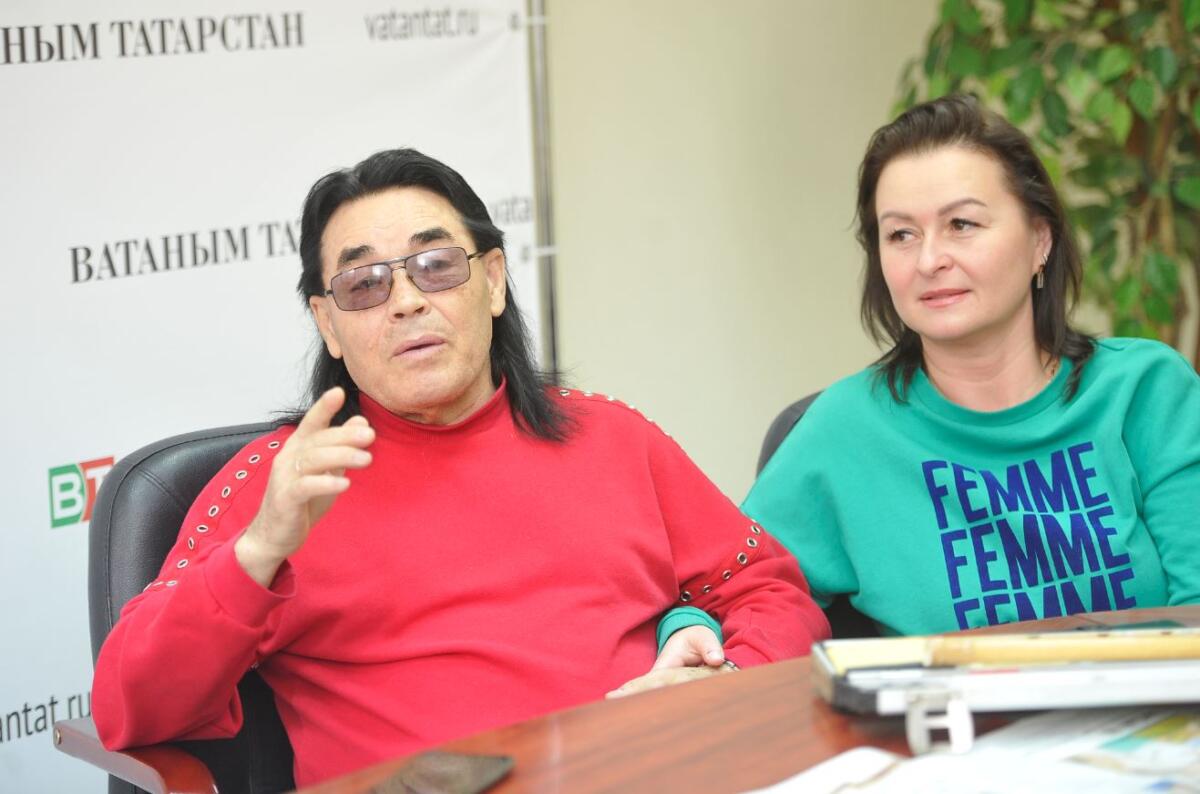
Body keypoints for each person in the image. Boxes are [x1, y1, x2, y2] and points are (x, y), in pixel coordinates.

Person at [91, 148, 829, 785]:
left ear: (495, 280)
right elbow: (129, 707)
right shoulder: (281, 484)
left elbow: (771, 592)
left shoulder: (611, 436)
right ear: (328, 324)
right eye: (365, 284)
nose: (407, 302)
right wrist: (258, 552)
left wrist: (723, 683)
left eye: (436, 266)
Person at [740, 95, 1200, 636]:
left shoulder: (1145, 390)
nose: (929, 260)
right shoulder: (842, 431)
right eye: (901, 234)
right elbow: (727, 592)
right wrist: (687, 633)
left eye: (961, 223)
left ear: (1040, 240)